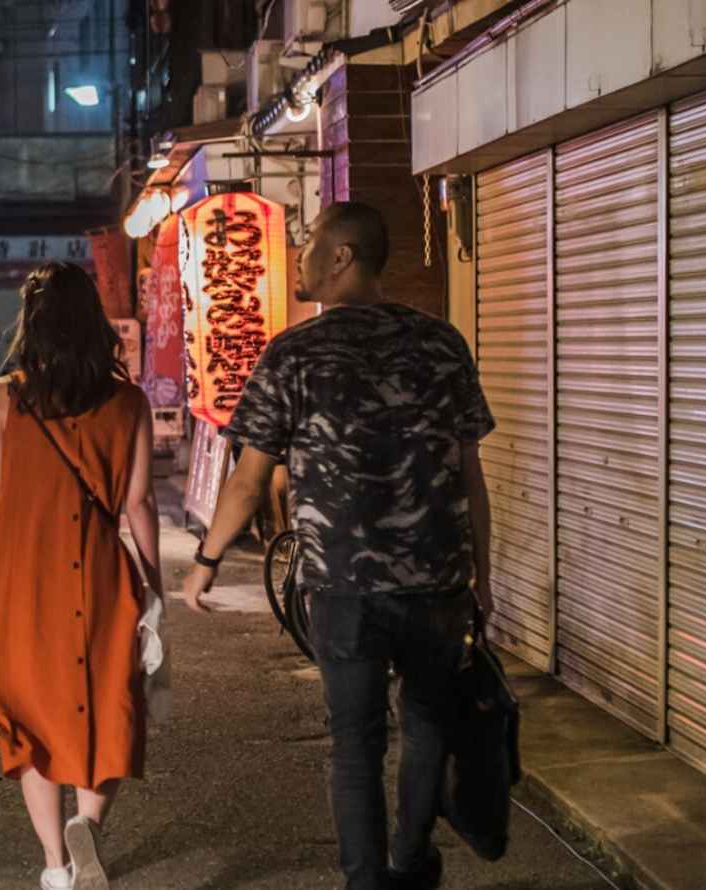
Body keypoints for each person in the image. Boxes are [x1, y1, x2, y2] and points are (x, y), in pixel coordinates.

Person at [181, 202, 496, 890]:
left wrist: (207, 561)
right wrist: (485, 576)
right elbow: (469, 472)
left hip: (344, 586)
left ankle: (365, 880)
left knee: (355, 742)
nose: (299, 258)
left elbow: (247, 480)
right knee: (427, 723)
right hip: (437, 576)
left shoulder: (295, 354)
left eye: (309, 246)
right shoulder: (442, 344)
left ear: (343, 257)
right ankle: (411, 861)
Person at [0, 261, 166, 890]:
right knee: (108, 703)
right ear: (94, 324)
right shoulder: (129, 402)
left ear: (32, 324)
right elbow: (138, 501)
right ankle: (89, 821)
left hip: (19, 577)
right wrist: (153, 586)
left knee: (28, 720)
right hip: (101, 577)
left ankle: (56, 866)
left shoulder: (6, 397)